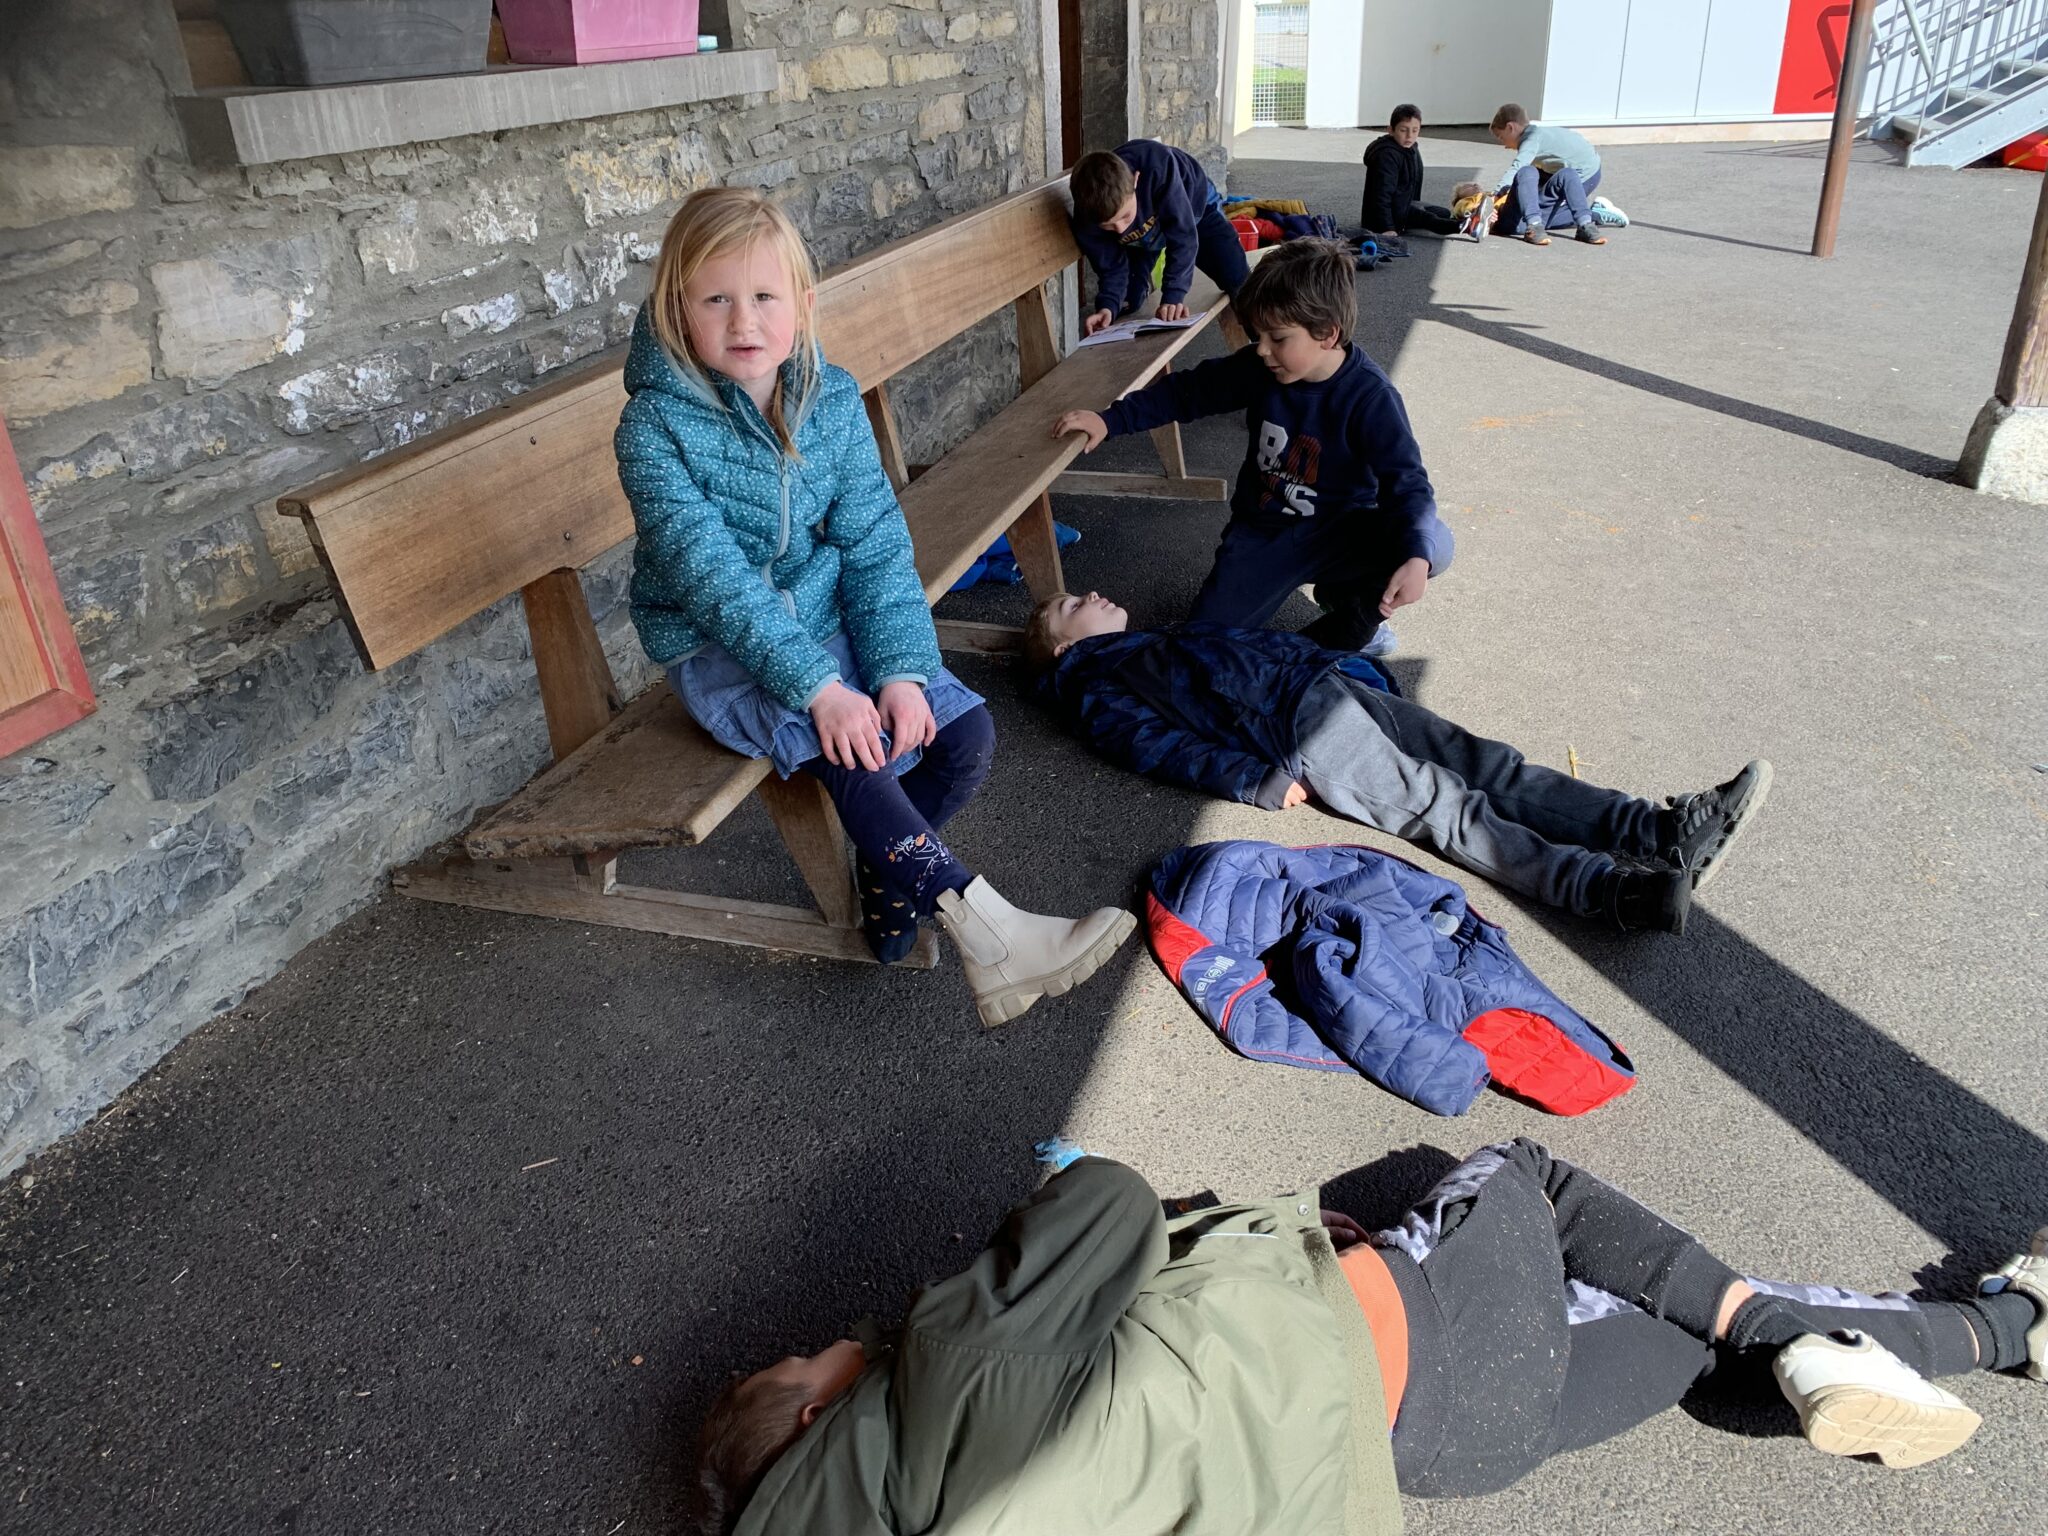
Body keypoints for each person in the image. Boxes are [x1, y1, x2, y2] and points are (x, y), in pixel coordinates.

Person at [690, 1144, 2048, 1533]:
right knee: (1533, 1181)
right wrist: (901, 1327)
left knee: (1690, 1357)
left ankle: (2006, 1326)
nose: (829, 1351)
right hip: (1424, 1316)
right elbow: (1099, 1199)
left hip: (1442, 1455)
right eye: (811, 1364)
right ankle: (1793, 1325)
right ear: (820, 1419)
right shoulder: (941, 1372)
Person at [612, 186, 1134, 1026]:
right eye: (715, 298)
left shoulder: (831, 397)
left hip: (821, 614)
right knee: (853, 752)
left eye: (764, 296)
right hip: (722, 646)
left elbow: (875, 547)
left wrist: (896, 670)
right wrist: (822, 689)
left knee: (961, 735)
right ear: (677, 309)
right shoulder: (653, 430)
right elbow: (714, 584)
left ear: (803, 304)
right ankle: (988, 930)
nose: (743, 320)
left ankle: (891, 873)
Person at [1023, 590, 1772, 934]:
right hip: (1300, 734)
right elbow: (1158, 747)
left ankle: (1654, 829)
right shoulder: (1097, 680)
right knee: (1448, 808)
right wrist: (1255, 779)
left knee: (1490, 767)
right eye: (1068, 604)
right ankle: (1612, 893)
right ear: (1063, 646)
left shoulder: (1144, 643)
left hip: (1323, 691)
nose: (1088, 593)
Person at [1052, 238, 1448, 656]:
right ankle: (1307, 611)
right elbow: (1186, 393)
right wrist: (1109, 420)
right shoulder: (1259, 367)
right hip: (1264, 532)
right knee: (1202, 647)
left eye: (1277, 338)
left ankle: (1352, 608)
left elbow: (1407, 483)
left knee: (1433, 545)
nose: (1261, 349)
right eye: (1257, 335)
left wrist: (1416, 557)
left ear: (1327, 335)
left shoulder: (1370, 398)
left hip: (1340, 530)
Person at [1068, 141, 1251, 338]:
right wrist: (1107, 307)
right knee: (1128, 301)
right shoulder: (1087, 219)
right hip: (1145, 237)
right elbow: (1110, 267)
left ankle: (1262, 342)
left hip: (1194, 209)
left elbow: (1183, 237)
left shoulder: (1158, 166)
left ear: (1136, 180)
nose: (1121, 230)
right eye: (1109, 226)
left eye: (1125, 216)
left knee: (1235, 274)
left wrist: (1173, 295)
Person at [1488, 102, 1609, 247]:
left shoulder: (1530, 139)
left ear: (1510, 127)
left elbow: (1518, 166)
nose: (1505, 145)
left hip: (1584, 175)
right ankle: (1588, 218)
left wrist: (1494, 195)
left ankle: (1586, 222)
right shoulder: (1540, 133)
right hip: (1585, 168)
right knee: (1535, 174)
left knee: (1531, 173)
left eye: (1501, 137)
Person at [1361, 103, 1464, 241]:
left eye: (1415, 130)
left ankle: (1470, 218)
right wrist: (1387, 228)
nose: (1409, 136)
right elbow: (1381, 194)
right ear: (1391, 130)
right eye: (1403, 130)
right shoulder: (1386, 156)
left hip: (1404, 204)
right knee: (1429, 219)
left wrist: (1415, 207)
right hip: (1388, 214)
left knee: (1443, 213)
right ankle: (1468, 226)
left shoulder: (1410, 148)